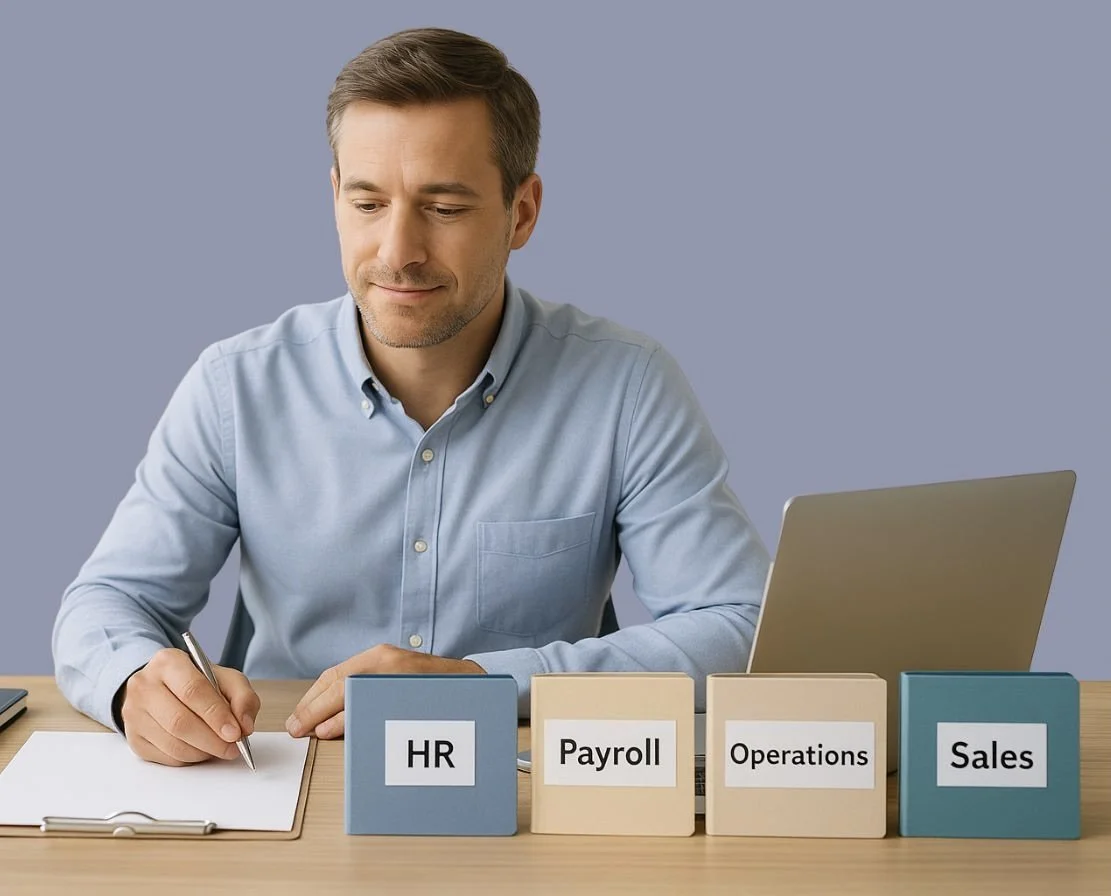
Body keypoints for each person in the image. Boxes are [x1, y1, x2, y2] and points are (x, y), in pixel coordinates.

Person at [52, 27, 771, 767]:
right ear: (334, 197)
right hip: (291, 784)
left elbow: (740, 626)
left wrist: (483, 683)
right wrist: (135, 680)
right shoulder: (236, 386)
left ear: (521, 213)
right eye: (367, 203)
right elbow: (106, 604)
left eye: (445, 207)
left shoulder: (626, 386)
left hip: (525, 794)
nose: (397, 251)